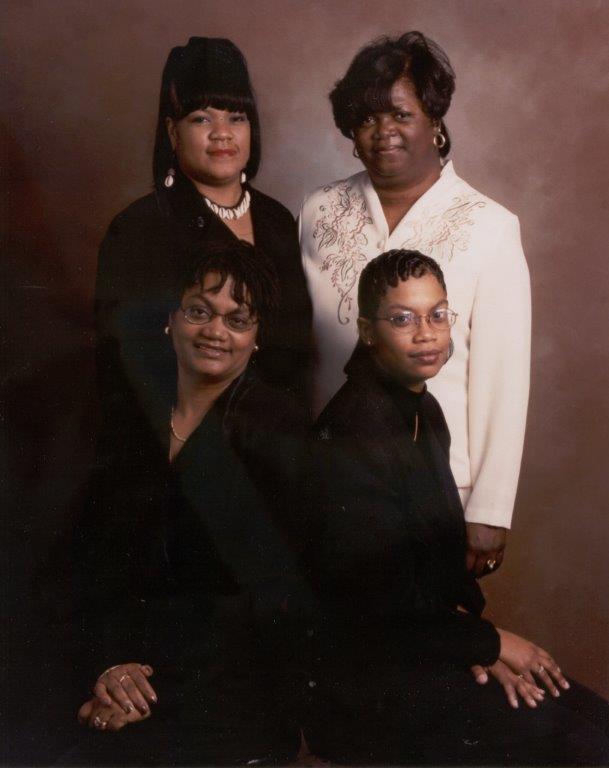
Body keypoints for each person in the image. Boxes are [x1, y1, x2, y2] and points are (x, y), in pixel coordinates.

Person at [304, 249, 609, 766]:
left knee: (596, 722)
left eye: (437, 314)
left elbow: (435, 575)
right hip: (366, 683)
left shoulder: (424, 410)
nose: (426, 334)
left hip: (427, 646)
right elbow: (376, 603)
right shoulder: (353, 430)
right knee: (583, 744)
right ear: (368, 331)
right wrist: (487, 645)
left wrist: (475, 647)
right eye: (403, 319)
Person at [299, 31, 530, 574]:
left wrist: (489, 508)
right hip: (332, 474)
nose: (384, 132)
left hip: (439, 483)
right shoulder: (318, 210)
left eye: (401, 114)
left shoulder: (490, 226)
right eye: (367, 117)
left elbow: (504, 378)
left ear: (435, 122)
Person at [72, 244, 311, 766]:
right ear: (171, 319)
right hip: (129, 668)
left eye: (237, 319)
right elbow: (92, 562)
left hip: (229, 688)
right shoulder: (133, 415)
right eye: (199, 311)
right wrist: (110, 668)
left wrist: (144, 693)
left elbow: (271, 600)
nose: (214, 332)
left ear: (257, 336)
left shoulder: (279, 428)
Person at [97, 36, 312, 474]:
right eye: (201, 118)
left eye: (237, 117)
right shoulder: (138, 229)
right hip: (182, 463)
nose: (222, 134)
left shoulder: (278, 221)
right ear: (172, 132)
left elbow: (294, 353)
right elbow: (125, 372)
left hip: (276, 451)